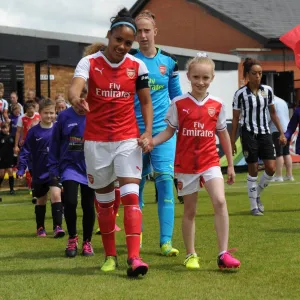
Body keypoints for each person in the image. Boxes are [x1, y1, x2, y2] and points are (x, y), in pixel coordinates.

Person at [68, 8, 153, 277]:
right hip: (95, 142)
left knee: (130, 197)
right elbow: (75, 86)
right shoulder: (90, 63)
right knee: (104, 203)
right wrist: (75, 99)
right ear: (109, 36)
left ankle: (135, 258)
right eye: (119, 40)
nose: (123, 46)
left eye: (129, 43)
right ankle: (110, 256)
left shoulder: (138, 65)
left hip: (127, 139)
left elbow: (146, 101)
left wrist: (148, 132)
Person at [149, 53, 240, 270]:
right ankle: (191, 254)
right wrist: (152, 141)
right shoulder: (178, 103)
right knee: (190, 211)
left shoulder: (217, 104)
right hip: (186, 165)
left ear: (212, 78)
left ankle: (223, 254)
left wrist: (230, 165)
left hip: (210, 161)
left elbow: (223, 134)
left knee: (219, 201)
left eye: (205, 78)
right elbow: (169, 131)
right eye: (196, 77)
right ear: (188, 76)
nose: (201, 82)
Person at [132, 10, 182, 255]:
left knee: (164, 183)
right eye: (138, 31)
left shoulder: (169, 62)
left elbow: (177, 100)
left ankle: (165, 242)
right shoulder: (129, 62)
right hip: (133, 136)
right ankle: (136, 239)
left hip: (162, 135)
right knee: (135, 187)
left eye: (146, 30)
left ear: (155, 32)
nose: (142, 35)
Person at [231, 58, 286, 216]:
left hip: (265, 133)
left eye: (260, 73)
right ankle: (253, 205)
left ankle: (257, 194)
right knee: (253, 169)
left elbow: (273, 113)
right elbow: (235, 119)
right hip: (248, 134)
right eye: (254, 73)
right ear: (247, 74)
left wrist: (281, 132)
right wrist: (232, 140)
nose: (258, 76)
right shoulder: (240, 94)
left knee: (271, 168)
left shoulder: (267, 90)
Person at [48, 99, 95, 257]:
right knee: (70, 201)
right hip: (70, 167)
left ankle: (87, 241)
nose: (82, 105)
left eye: (85, 100)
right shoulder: (64, 116)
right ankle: (72, 237)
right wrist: (53, 166)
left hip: (90, 166)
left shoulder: (95, 114)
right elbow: (55, 142)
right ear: (73, 100)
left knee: (88, 204)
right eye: (78, 102)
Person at [16, 98, 65, 238]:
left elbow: (64, 149)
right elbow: (25, 151)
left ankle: (58, 227)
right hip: (39, 171)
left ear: (55, 112)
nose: (49, 116)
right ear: (40, 113)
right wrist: (21, 169)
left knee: (56, 195)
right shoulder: (33, 132)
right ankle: (40, 227)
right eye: (46, 113)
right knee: (41, 199)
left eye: (51, 113)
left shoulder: (58, 130)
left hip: (54, 170)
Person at [269, 96, 294, 182]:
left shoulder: (271, 102)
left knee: (279, 153)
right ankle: (289, 175)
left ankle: (279, 176)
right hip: (287, 128)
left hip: (277, 129)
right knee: (286, 152)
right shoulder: (283, 101)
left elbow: (270, 116)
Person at [0, 123, 16, 195]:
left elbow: (15, 147)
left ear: (8, 128)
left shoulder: (12, 136)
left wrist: (15, 155)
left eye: (6, 128)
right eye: (3, 128)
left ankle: (12, 189)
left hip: (9, 157)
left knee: (10, 171)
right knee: (1, 174)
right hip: (1, 158)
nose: (4, 130)